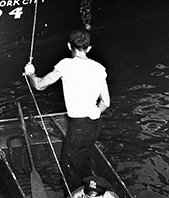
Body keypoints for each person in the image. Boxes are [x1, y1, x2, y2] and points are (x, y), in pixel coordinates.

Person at [24, 29, 109, 189]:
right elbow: (106, 102)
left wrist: (31, 73)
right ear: (89, 48)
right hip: (95, 124)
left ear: (69, 45)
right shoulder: (99, 68)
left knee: (69, 167)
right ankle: (90, 193)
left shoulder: (65, 65)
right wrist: (94, 113)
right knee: (85, 159)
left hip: (78, 125)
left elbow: (40, 85)